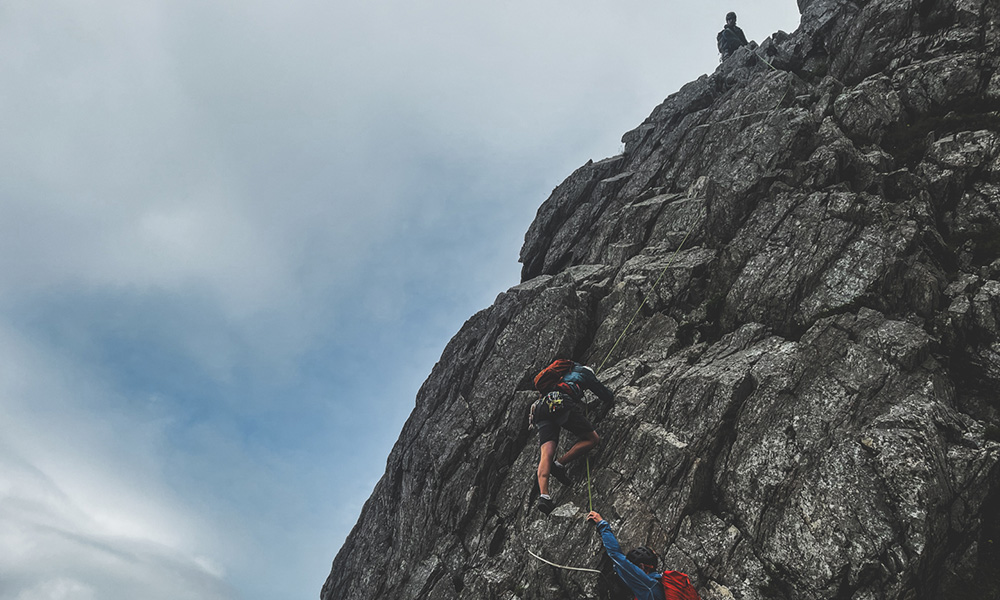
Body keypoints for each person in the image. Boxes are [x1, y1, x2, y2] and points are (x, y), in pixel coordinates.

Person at [531, 360, 614, 514]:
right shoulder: (585, 373)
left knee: (546, 454)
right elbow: (605, 395)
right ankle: (559, 464)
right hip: (559, 402)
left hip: (540, 408)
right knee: (592, 439)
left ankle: (544, 496)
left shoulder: (562, 372)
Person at [587, 511, 700, 600]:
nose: (633, 569)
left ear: (641, 567)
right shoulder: (661, 584)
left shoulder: (647, 585)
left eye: (634, 566)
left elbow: (616, 556)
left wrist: (602, 524)